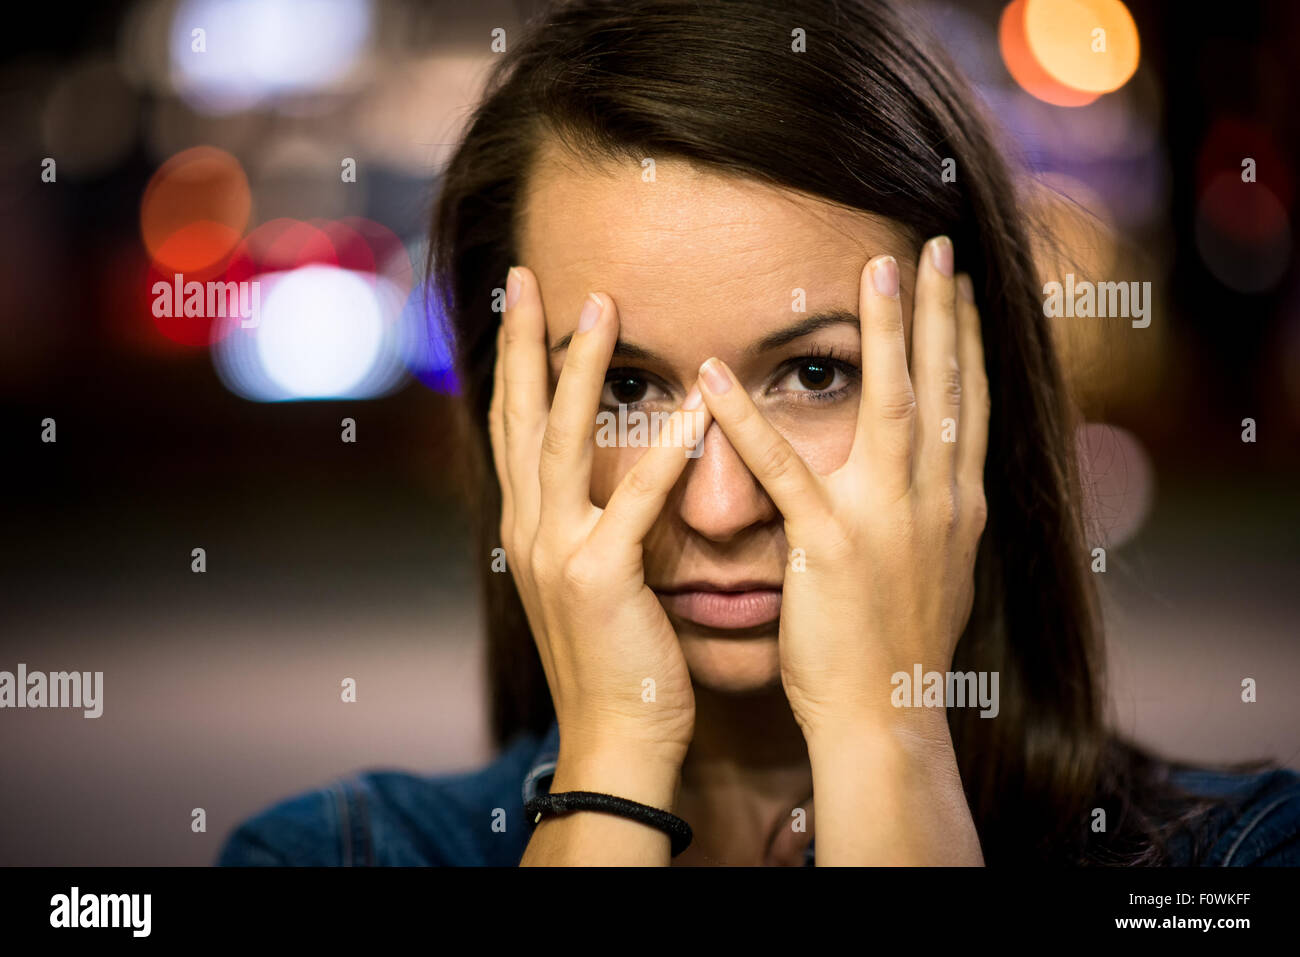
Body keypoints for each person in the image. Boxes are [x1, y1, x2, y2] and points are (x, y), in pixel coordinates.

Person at [217, 0, 1300, 866]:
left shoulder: (1232, 859)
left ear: (976, 391)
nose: (720, 504)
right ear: (511, 421)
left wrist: (889, 748)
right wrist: (612, 770)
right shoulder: (333, 855)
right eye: (624, 388)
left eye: (814, 373)